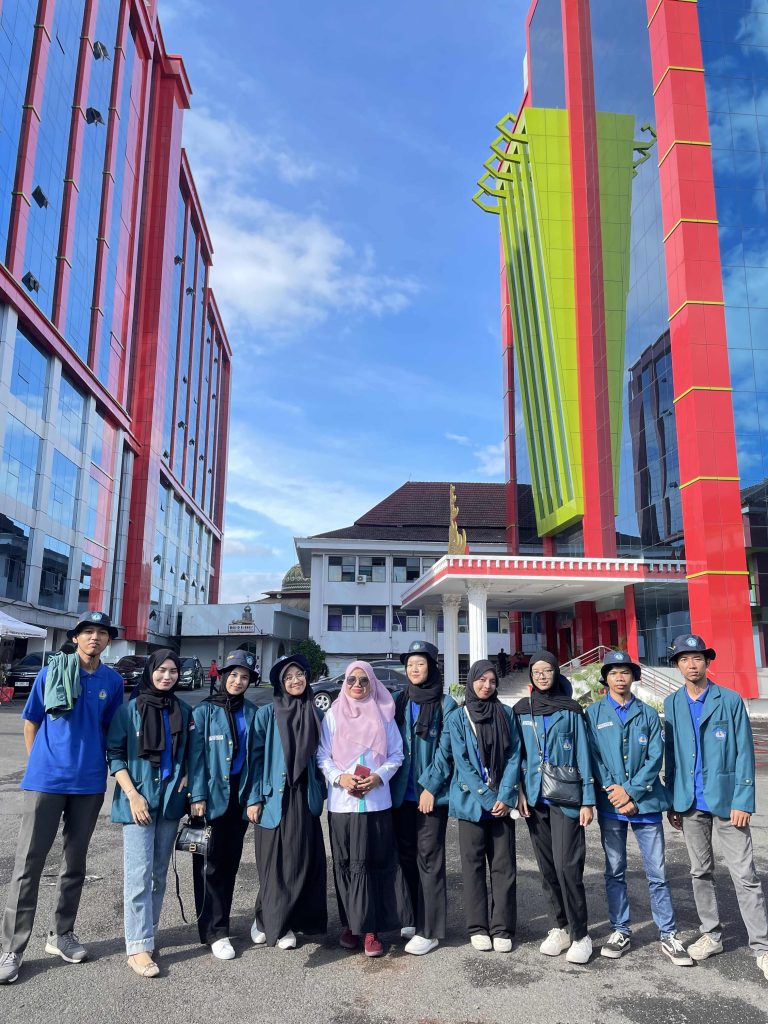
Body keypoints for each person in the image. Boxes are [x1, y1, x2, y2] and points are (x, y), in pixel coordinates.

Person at [0, 612, 123, 985]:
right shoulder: (50, 673)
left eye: (102, 633)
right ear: (75, 638)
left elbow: (111, 729)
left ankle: (62, 934)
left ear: (108, 641)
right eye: (88, 632)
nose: (95, 638)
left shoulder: (113, 681)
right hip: (47, 781)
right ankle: (13, 948)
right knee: (28, 864)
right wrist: (40, 761)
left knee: (74, 864)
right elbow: (31, 721)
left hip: (89, 782)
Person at [664, 634, 768, 980]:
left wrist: (743, 799)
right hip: (690, 803)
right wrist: (672, 800)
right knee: (700, 872)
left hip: (727, 802)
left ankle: (762, 947)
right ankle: (712, 934)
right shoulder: (673, 703)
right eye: (684, 659)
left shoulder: (730, 700)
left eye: (697, 658)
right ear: (677, 666)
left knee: (745, 875)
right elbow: (672, 754)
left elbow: (744, 751)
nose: (691, 665)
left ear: (707, 663)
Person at [585, 651, 692, 966]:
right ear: (606, 679)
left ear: (633, 676)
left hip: (645, 804)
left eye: (625, 672)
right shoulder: (594, 713)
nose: (620, 678)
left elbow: (655, 758)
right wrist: (614, 791)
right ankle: (620, 929)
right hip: (611, 805)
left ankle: (668, 933)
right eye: (613, 672)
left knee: (657, 872)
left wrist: (629, 792)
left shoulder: (647, 714)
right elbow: (594, 757)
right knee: (615, 870)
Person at [317, 660, 412, 957]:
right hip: (342, 804)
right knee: (346, 863)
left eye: (363, 680)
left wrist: (378, 776)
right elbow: (322, 755)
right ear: (344, 683)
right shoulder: (332, 715)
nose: (357, 685)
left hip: (375, 803)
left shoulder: (383, 714)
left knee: (374, 863)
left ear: (372, 684)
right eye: (351, 680)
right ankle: (350, 924)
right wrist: (339, 777)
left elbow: (397, 754)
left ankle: (372, 929)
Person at [107, 649, 191, 978]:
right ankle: (137, 948)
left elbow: (190, 753)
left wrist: (186, 779)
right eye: (161, 670)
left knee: (159, 873)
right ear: (150, 671)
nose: (167, 676)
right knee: (138, 875)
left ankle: (147, 935)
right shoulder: (129, 710)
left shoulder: (183, 709)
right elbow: (115, 754)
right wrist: (132, 795)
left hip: (169, 803)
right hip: (138, 801)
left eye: (173, 671)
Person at [514, 649, 595, 964]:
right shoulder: (522, 710)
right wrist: (519, 792)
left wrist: (588, 799)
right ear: (531, 676)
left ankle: (581, 934)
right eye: (537, 671)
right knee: (547, 869)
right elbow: (517, 756)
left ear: (556, 673)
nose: (542, 676)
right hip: (536, 800)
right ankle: (559, 927)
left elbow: (583, 754)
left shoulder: (571, 710)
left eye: (547, 670)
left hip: (567, 798)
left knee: (567, 867)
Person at [249, 654, 327, 950]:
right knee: (273, 863)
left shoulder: (315, 713)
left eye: (300, 675)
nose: (296, 681)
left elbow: (324, 756)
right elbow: (255, 759)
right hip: (273, 797)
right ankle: (275, 924)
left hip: (303, 795)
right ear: (280, 683)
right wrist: (254, 798)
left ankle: (278, 919)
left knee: (299, 860)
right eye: (288, 677)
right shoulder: (266, 714)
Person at [188, 650, 262, 960]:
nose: (238, 681)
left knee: (230, 863)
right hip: (210, 796)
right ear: (222, 676)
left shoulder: (254, 712)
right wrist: (197, 795)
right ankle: (213, 931)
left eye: (244, 677)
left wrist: (254, 797)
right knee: (208, 865)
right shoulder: (203, 711)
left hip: (239, 796)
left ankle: (222, 924)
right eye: (233, 675)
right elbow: (195, 758)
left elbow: (257, 759)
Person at [448, 659, 520, 952]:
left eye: (492, 681)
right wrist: (489, 799)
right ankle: (478, 927)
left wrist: (505, 796)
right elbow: (462, 762)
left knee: (504, 866)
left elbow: (514, 755)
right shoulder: (458, 717)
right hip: (472, 802)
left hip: (502, 801)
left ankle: (502, 928)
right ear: (471, 681)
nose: (486, 686)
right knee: (473, 866)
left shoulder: (505, 713)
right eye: (481, 680)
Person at [391, 640, 458, 956]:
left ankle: (430, 930)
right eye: (410, 665)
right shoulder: (399, 700)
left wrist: (430, 787)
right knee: (405, 856)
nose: (414, 669)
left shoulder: (446, 704)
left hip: (431, 796)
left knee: (429, 858)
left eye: (420, 663)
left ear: (432, 667)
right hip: (400, 794)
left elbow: (447, 750)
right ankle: (412, 917)